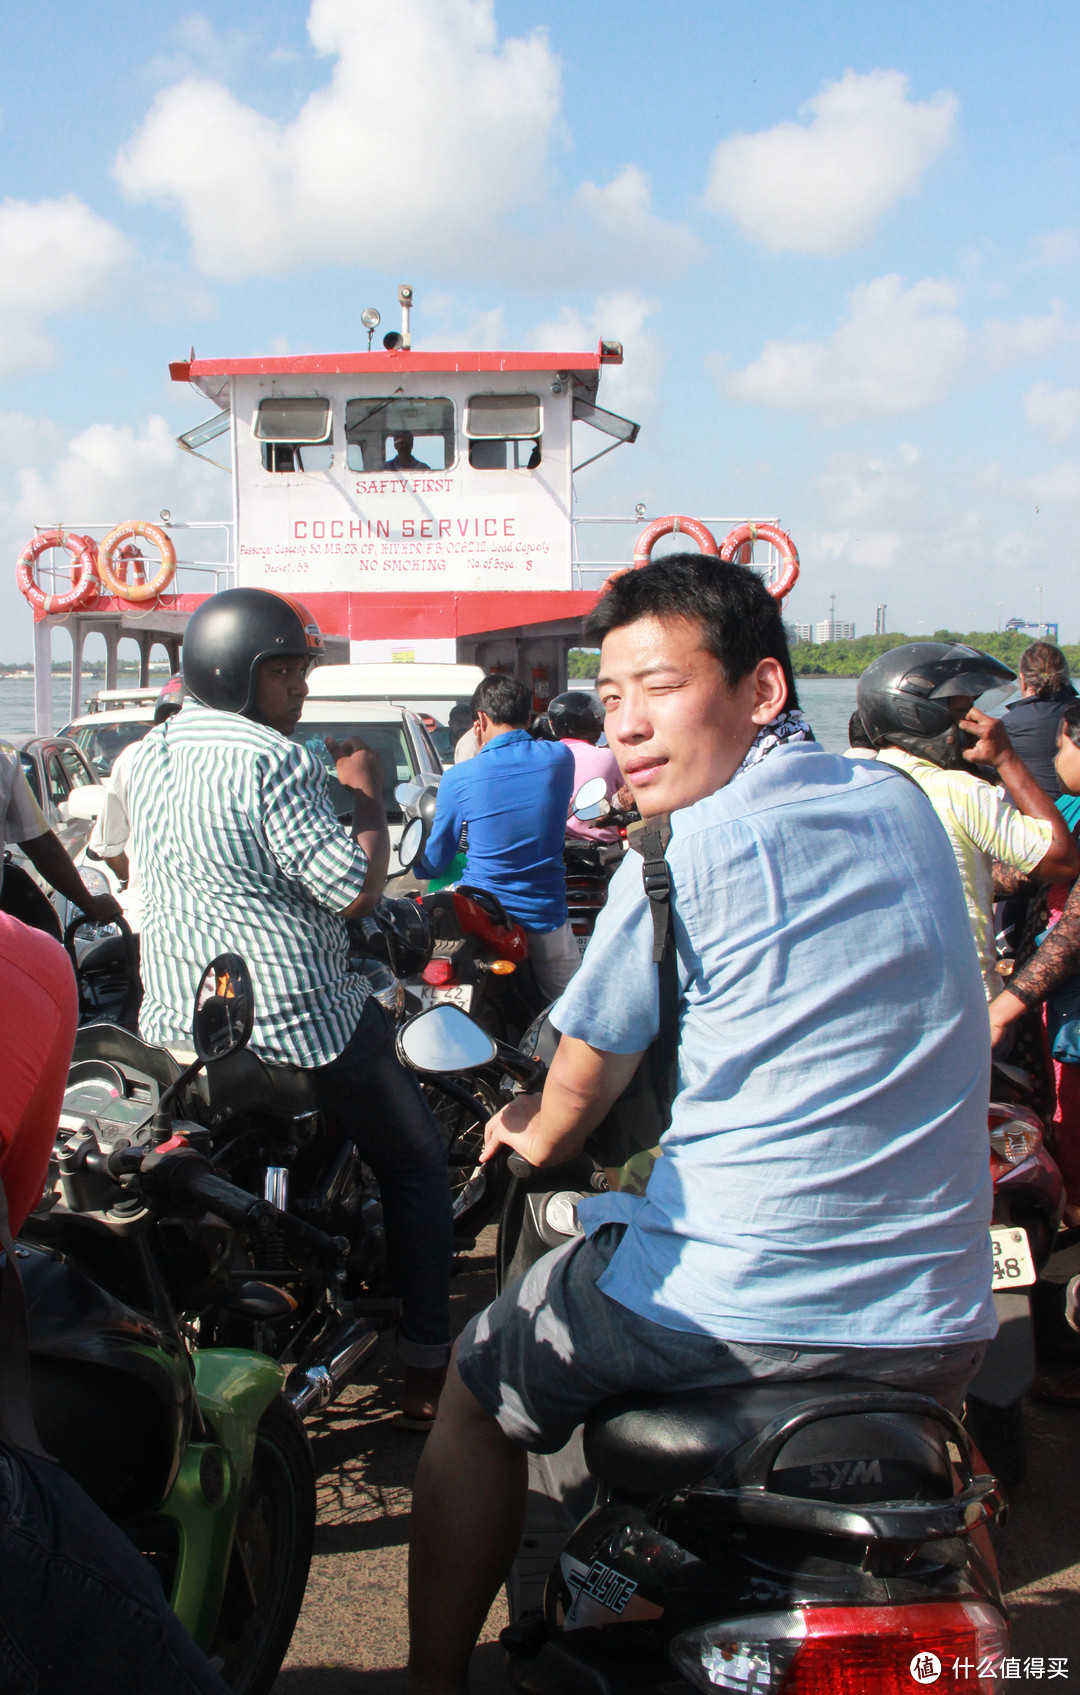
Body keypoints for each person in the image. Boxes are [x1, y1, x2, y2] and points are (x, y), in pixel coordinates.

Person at [407, 555, 996, 1694]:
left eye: (662, 689)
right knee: (947, 1492)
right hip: (942, 1318)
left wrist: (527, 1126)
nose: (626, 726)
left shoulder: (678, 855)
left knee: (476, 1397)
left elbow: (574, 1101)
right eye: (611, 694)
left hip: (736, 1310)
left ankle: (431, 1682)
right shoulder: (906, 806)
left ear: (764, 690)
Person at [126, 588, 452, 1427]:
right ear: (236, 671)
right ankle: (425, 1366)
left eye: (303, 669)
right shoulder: (278, 760)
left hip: (182, 1027)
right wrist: (368, 795)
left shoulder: (152, 752)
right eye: (285, 672)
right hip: (300, 1021)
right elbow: (351, 891)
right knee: (417, 1162)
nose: (301, 687)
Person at [0, 910, 229, 1693]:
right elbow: (18, 1195)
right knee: (409, 1158)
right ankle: (425, 1356)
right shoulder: (24, 961)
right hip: (283, 1026)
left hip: (163, 1023)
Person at [859, 642, 1080, 1000]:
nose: (974, 723)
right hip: (963, 996)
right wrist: (1006, 758)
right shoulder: (959, 790)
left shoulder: (857, 780)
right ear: (919, 715)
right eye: (963, 712)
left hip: (886, 991)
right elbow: (1062, 860)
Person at [415, 674, 578, 1000]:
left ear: (480, 720)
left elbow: (436, 860)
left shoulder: (459, 777)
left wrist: (420, 866)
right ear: (529, 718)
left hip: (480, 915)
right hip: (544, 915)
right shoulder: (560, 759)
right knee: (573, 1014)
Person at [988, 705, 1080, 1220]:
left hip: (1063, 1008)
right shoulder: (1068, 811)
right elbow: (1018, 874)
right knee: (1044, 1119)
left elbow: (1071, 938)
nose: (1055, 755)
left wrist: (1000, 1013)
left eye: (1063, 745)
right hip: (1054, 1015)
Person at [88, 673, 186, 933]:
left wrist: (130, 878)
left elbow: (108, 848)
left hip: (146, 923)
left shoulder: (132, 757)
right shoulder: (237, 760)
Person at [0, 741, 121, 932]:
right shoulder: (4, 758)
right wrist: (90, 904)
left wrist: (89, 904)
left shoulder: (5, 759)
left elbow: (40, 843)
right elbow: (39, 843)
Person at [1002, 640, 1077, 798]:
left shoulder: (1008, 724)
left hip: (1031, 817)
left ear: (1023, 680)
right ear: (1066, 677)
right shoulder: (1076, 713)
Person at [548, 690, 623, 844]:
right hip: (602, 850)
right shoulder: (607, 757)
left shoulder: (545, 757)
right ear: (585, 720)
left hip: (557, 847)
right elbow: (628, 794)